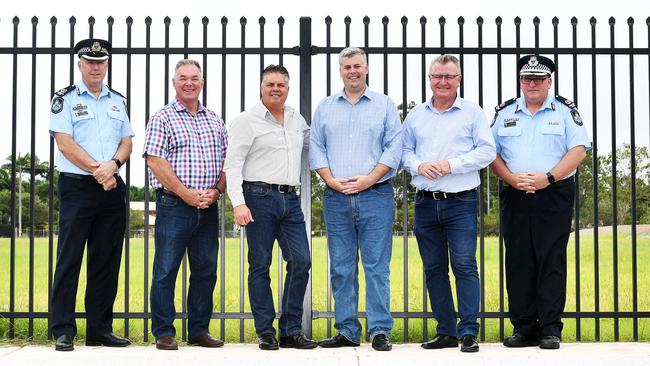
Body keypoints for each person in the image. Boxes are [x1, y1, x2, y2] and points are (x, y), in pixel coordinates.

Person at [490, 55, 590, 350]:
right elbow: (489, 151)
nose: (532, 84)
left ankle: (549, 327)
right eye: (526, 79)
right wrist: (509, 177)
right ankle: (523, 327)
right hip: (515, 193)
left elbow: (578, 150)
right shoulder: (506, 112)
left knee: (551, 258)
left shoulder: (564, 112)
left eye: (538, 79)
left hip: (554, 192)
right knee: (519, 259)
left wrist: (549, 177)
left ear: (549, 82)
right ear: (520, 82)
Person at [309, 47, 402, 352]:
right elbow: (317, 148)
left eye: (357, 66)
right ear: (340, 70)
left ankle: (379, 330)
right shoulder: (325, 107)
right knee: (341, 266)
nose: (352, 71)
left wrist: (368, 179)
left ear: (366, 68)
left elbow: (393, 149)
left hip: (376, 195)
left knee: (376, 265)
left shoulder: (385, 105)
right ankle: (347, 329)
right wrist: (331, 180)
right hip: (336, 197)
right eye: (347, 66)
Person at [402, 55, 496, 353]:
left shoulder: (472, 113)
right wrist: (418, 166)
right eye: (437, 76)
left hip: (461, 202)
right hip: (425, 203)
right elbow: (403, 152)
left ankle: (468, 331)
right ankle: (446, 331)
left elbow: (487, 152)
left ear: (459, 79)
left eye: (449, 76)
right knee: (433, 268)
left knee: (465, 265)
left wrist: (450, 165)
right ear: (430, 79)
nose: (443, 82)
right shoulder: (416, 115)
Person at [223, 64, 316, 351]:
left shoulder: (296, 119)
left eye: (281, 85)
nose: (276, 89)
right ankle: (266, 331)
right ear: (261, 87)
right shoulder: (246, 120)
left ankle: (290, 330)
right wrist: (238, 203)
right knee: (260, 265)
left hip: (290, 199)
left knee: (301, 261)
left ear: (288, 89)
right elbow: (233, 164)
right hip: (258, 198)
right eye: (270, 84)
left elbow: (314, 146)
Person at [49, 38, 134, 351]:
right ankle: (63, 330)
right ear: (80, 64)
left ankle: (99, 330)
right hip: (78, 186)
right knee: (69, 258)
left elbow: (127, 141)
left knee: (106, 261)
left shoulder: (118, 101)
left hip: (111, 187)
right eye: (90, 62)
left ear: (107, 65)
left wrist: (113, 166)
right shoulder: (65, 99)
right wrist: (100, 171)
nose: (96, 67)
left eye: (101, 62)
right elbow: (64, 143)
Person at [143, 59, 227, 350]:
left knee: (206, 270)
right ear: (174, 83)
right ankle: (164, 331)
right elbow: (154, 160)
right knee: (166, 270)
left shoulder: (215, 120)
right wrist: (184, 193)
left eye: (194, 78)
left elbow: (229, 162)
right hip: (174, 205)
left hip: (208, 205)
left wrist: (216, 191)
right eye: (183, 78)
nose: (189, 83)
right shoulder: (163, 117)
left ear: (202, 83)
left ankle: (199, 330)